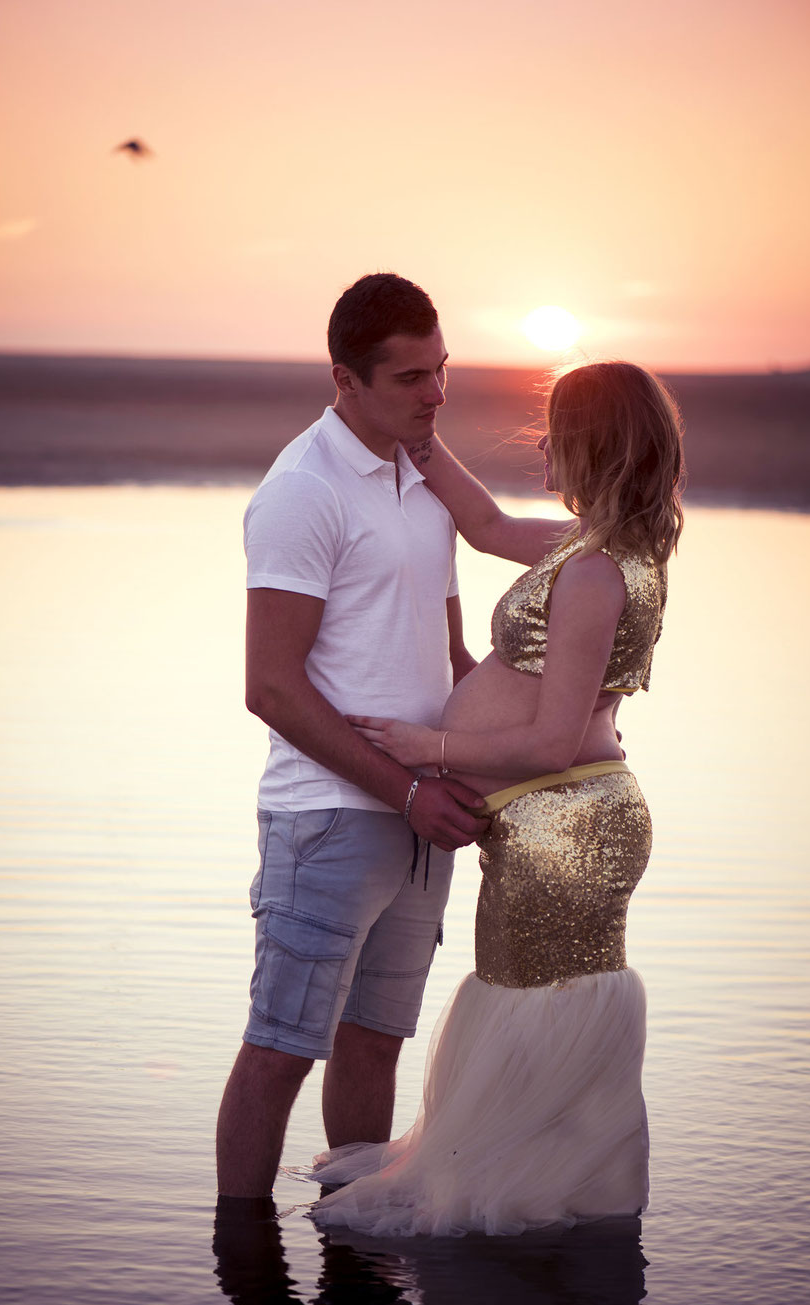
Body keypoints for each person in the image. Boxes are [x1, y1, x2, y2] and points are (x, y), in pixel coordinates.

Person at [310, 360, 685, 1235]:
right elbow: (479, 526)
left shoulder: (595, 576)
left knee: (530, 1007)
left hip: (567, 828)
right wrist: (420, 441)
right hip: (550, 821)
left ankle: (525, 1205)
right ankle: (539, 1189)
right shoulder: (589, 551)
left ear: (594, 445)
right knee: (528, 1004)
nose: (545, 445)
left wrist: (429, 746)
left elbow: (555, 739)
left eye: (560, 430)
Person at [215, 273, 488, 1201]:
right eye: (411, 378)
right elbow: (270, 687)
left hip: (423, 815)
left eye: (442, 370)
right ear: (345, 380)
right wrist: (407, 790)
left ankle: (353, 1247)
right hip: (330, 818)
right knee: (281, 1050)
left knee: (375, 1043)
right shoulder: (302, 490)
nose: (436, 395)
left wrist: (517, 756)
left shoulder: (425, 477)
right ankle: (242, 1272)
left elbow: (450, 654)